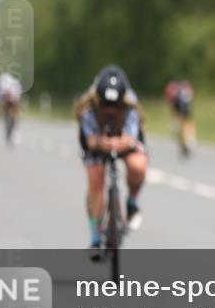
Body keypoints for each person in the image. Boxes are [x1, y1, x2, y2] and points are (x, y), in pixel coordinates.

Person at [75, 65, 148, 259]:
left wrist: (124, 142)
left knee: (138, 166)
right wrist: (100, 143)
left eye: (114, 105)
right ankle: (95, 237)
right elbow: (89, 140)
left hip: (123, 137)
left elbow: (132, 137)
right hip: (97, 139)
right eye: (105, 104)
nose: (109, 109)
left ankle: (132, 201)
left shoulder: (131, 104)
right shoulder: (88, 106)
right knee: (95, 178)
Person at [164, 79, 196, 157]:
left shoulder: (172, 87)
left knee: (179, 120)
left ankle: (178, 133)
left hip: (178, 104)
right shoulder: (186, 86)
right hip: (186, 104)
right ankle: (190, 138)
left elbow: (171, 102)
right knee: (187, 121)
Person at [0, 71, 23, 144]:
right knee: (3, 109)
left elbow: (18, 98)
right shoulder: (0, 87)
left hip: (14, 99)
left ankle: (17, 123)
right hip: (4, 100)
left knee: (16, 110)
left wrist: (14, 104)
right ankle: (5, 122)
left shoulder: (15, 85)